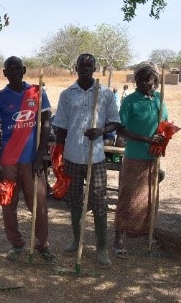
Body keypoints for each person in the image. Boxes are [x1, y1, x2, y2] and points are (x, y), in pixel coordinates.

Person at [52, 53, 119, 266]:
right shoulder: (67, 94)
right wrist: (59, 156)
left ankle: (101, 248)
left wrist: (101, 130)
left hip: (96, 157)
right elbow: (60, 127)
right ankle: (76, 240)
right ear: (76, 67)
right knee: (74, 201)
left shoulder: (105, 94)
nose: (86, 68)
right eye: (82, 65)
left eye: (90, 65)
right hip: (72, 156)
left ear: (95, 68)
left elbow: (115, 123)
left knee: (99, 202)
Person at [0, 56, 55, 262]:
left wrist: (40, 154)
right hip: (8, 161)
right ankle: (16, 244)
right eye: (10, 69)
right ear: (4, 73)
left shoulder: (37, 92)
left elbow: (46, 125)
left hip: (31, 160)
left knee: (38, 203)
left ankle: (42, 245)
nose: (15, 72)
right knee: (8, 204)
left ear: (24, 70)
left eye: (18, 68)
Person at [113, 61, 167, 257]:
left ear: (155, 81)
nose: (145, 83)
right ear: (135, 81)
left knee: (150, 198)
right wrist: (145, 138)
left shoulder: (160, 99)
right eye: (140, 80)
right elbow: (121, 129)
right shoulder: (130, 102)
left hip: (152, 158)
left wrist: (163, 139)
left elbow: (164, 125)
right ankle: (118, 238)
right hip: (134, 156)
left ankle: (146, 232)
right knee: (128, 197)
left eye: (149, 80)